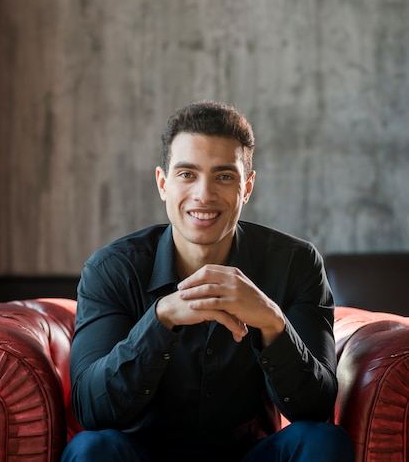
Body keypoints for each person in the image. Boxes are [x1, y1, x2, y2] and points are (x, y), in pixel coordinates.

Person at [61, 100, 354, 462]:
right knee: (92, 449)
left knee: (323, 441)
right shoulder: (111, 269)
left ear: (246, 188)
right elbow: (93, 411)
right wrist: (160, 320)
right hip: (142, 457)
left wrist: (271, 322)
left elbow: (315, 408)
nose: (204, 194)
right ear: (162, 183)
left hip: (251, 456)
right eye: (187, 174)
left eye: (224, 176)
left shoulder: (295, 263)